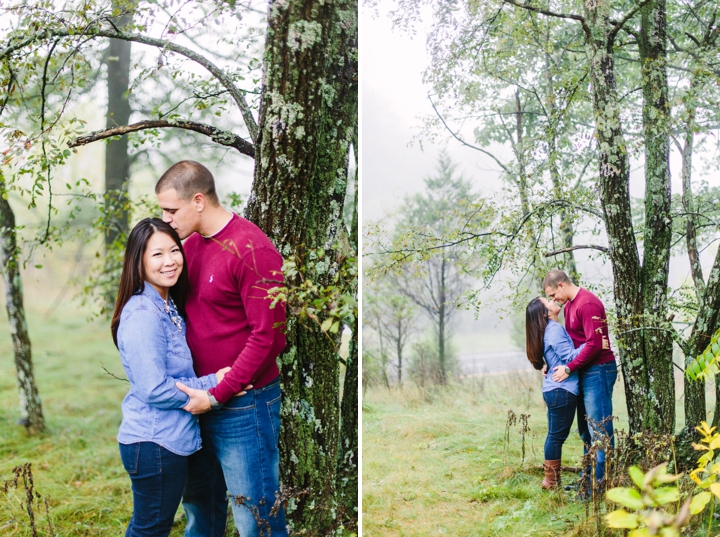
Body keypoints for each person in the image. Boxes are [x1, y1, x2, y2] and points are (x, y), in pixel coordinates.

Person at [154, 161, 288, 537]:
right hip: (195, 403)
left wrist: (217, 395)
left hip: (244, 405)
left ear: (198, 200)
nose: (165, 220)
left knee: (255, 516)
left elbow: (269, 337)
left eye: (171, 210)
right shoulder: (188, 249)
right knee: (200, 511)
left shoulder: (252, 249)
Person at [110, 218, 236, 537]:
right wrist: (213, 384)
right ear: (137, 261)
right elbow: (154, 389)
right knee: (150, 528)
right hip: (154, 442)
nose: (170, 261)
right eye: (157, 254)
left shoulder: (166, 304)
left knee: (176, 518)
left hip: (174, 438)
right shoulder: (142, 314)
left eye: (174, 250)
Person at [544, 269, 617, 485]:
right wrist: (553, 364)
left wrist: (568, 368)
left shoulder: (587, 304)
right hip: (585, 370)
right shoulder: (570, 306)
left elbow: (594, 344)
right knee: (586, 431)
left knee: (599, 429)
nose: (553, 300)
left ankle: (600, 485)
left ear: (561, 286)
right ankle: (589, 479)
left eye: (552, 294)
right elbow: (575, 344)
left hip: (599, 370)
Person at [526, 296, 585, 489]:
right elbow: (569, 357)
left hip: (554, 390)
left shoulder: (548, 331)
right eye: (548, 301)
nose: (553, 300)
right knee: (556, 437)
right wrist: (591, 344)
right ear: (545, 312)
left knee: (553, 435)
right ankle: (551, 481)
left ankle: (551, 480)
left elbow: (558, 357)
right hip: (562, 390)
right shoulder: (554, 330)